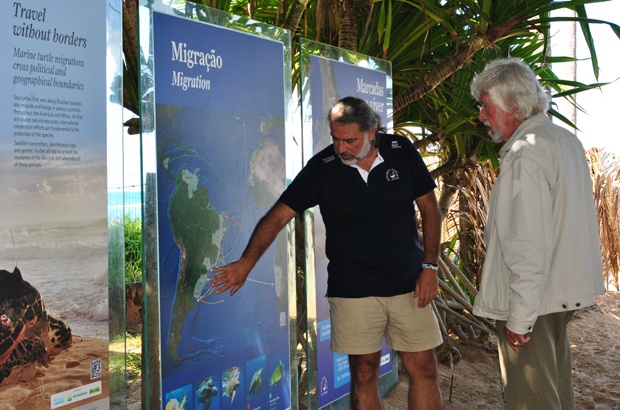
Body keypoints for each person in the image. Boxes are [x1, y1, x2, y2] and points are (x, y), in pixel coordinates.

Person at [211, 96, 444, 409]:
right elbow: (279, 215)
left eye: (349, 140)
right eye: (336, 139)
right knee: (364, 373)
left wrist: (430, 267)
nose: (341, 148)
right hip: (353, 290)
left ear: (372, 131)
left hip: (409, 284)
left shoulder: (401, 151)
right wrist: (246, 263)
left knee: (424, 368)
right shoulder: (323, 167)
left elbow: (430, 208)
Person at [471, 58, 605, 409]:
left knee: (531, 399)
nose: (481, 116)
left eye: (485, 106)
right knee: (554, 389)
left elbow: (527, 245)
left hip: (533, 301)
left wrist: (519, 318)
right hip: (557, 295)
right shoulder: (562, 140)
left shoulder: (525, 155)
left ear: (512, 105)